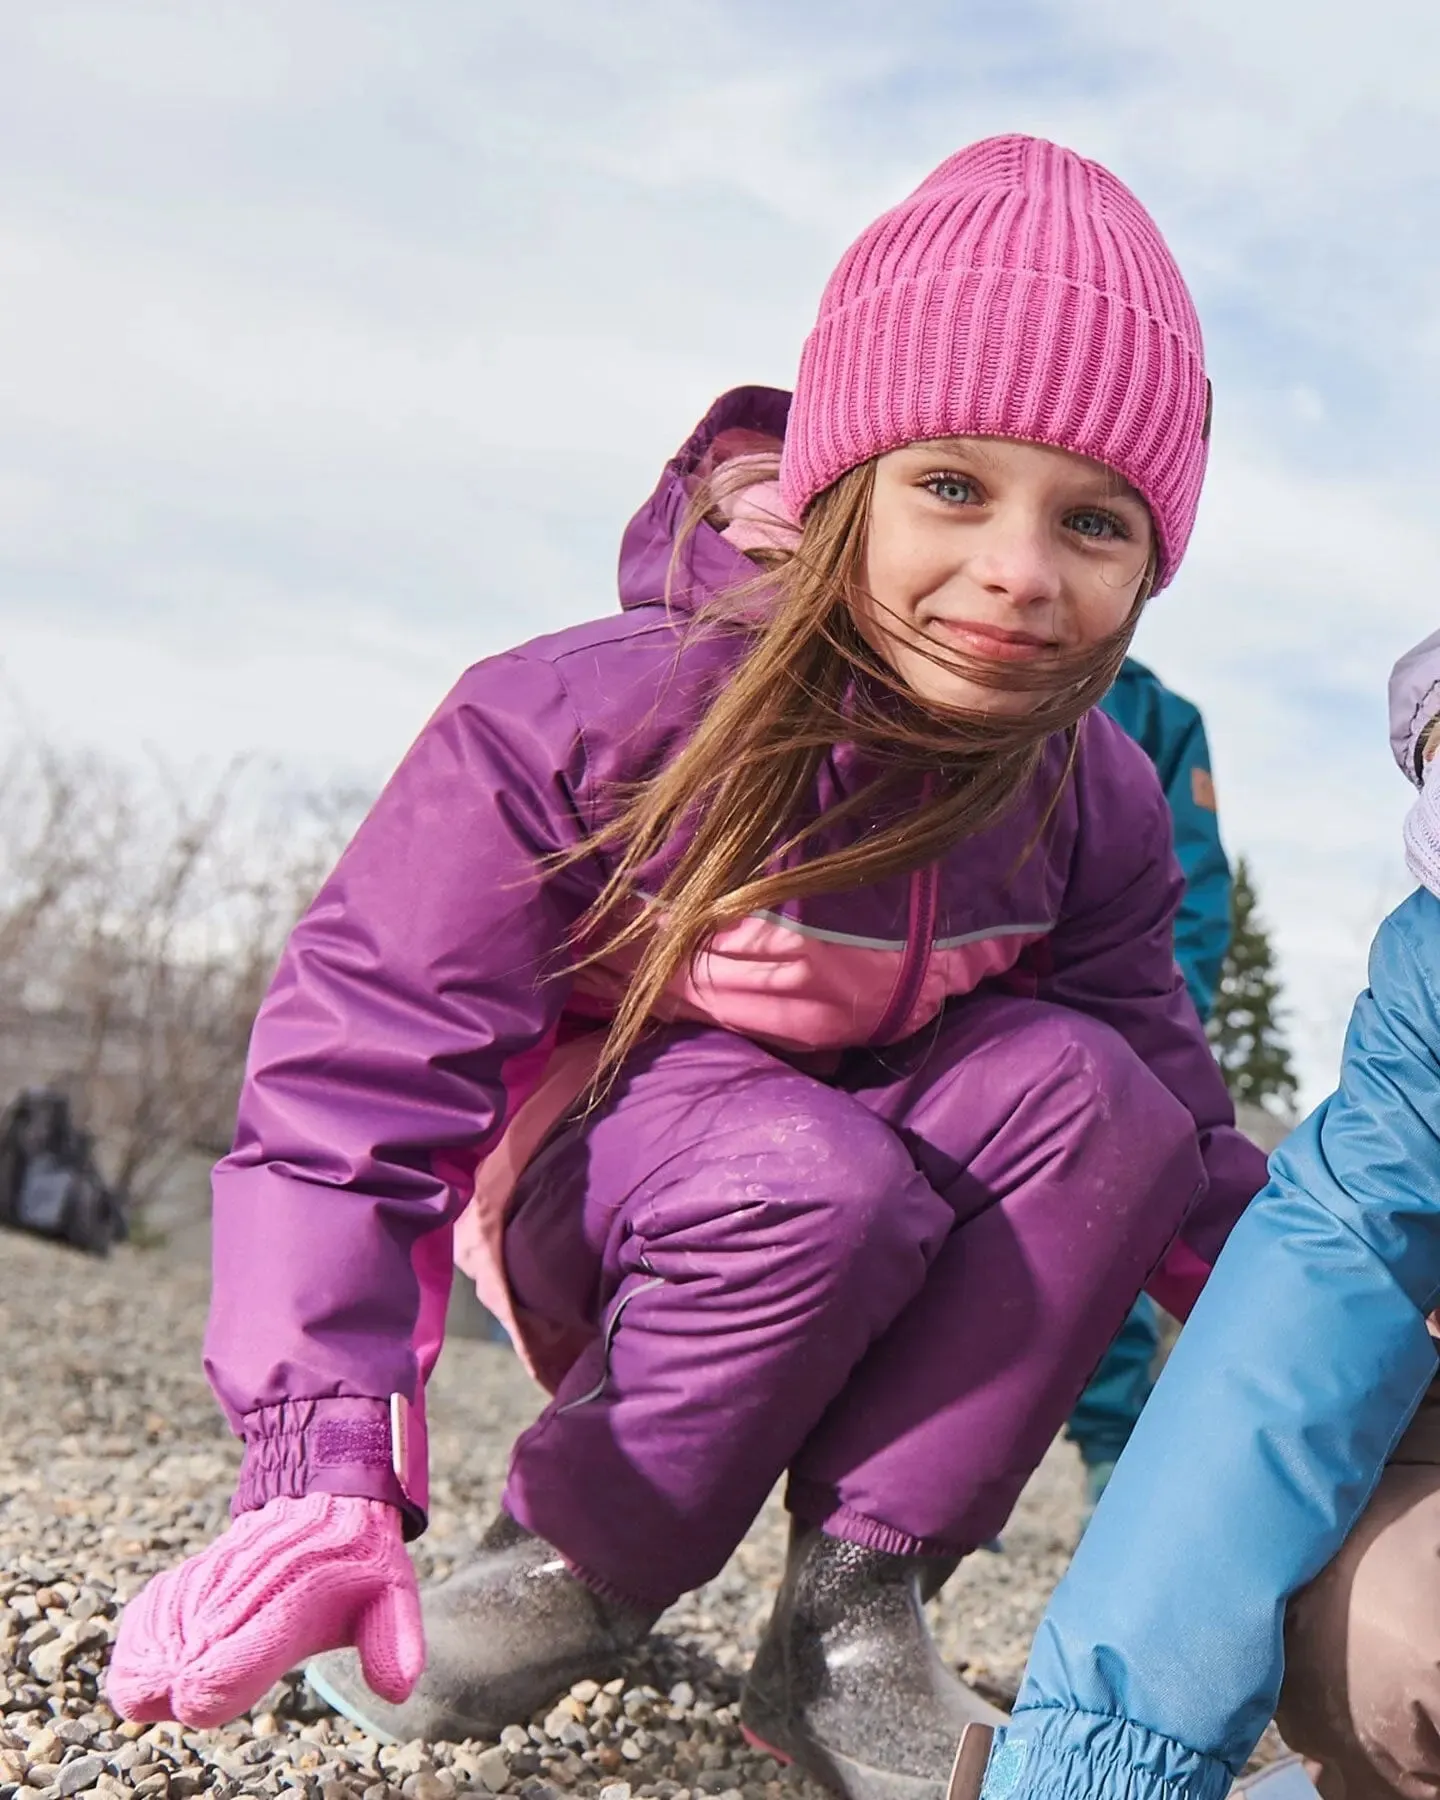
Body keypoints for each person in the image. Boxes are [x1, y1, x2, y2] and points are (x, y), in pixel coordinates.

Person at [104, 135, 1266, 1800]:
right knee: (813, 1174)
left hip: (889, 1194)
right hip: (617, 1191)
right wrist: (320, 1462)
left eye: (1092, 521)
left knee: (1106, 1108)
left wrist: (1374, 1356)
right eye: (953, 486)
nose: (1018, 569)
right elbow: (355, 1077)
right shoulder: (584, 722)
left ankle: (853, 1624)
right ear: (846, 477)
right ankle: (574, 1562)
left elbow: (1176, 1122)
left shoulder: (1101, 798)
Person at [976, 628, 1440, 1800]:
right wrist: (1103, 1756)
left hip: (1109, 1034)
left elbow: (1181, 905)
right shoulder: (1430, 976)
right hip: (1026, 1084)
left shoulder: (1157, 725)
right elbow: (1323, 1278)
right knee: (1384, 1647)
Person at [1067, 661, 1232, 1518]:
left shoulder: (1160, 715)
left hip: (1134, 1016)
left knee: (1125, 1232)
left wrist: (1173, 1008)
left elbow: (1198, 884)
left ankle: (1112, 1450)